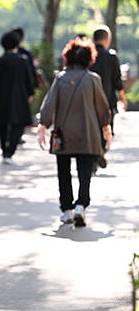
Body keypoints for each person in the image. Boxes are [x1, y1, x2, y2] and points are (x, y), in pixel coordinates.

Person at [38, 37, 112, 227]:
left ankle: (66, 210)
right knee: (84, 171)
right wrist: (106, 128)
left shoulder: (60, 79)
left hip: (62, 134)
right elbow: (103, 108)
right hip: (87, 133)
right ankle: (81, 205)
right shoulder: (93, 80)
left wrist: (43, 126)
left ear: (67, 57)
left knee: (63, 171)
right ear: (90, 58)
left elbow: (48, 105)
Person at [0, 32, 35, 165]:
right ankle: (10, 151)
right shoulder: (23, 60)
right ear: (17, 44)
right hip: (20, 96)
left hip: (2, 96)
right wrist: (30, 93)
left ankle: (4, 151)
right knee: (19, 124)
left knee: (3, 124)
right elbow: (29, 80)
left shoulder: (0, 61)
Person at [91, 25, 127, 136]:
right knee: (106, 134)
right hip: (107, 100)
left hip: (89, 100)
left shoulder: (87, 56)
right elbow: (117, 80)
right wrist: (122, 98)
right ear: (107, 39)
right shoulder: (111, 56)